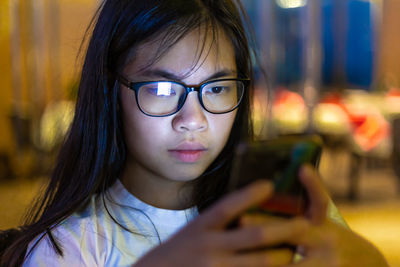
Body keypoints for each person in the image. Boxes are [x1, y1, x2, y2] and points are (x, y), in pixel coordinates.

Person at [1, 0, 389, 266]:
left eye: (217, 88)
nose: (194, 119)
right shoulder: (70, 248)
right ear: (109, 92)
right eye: (162, 89)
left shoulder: (273, 220)